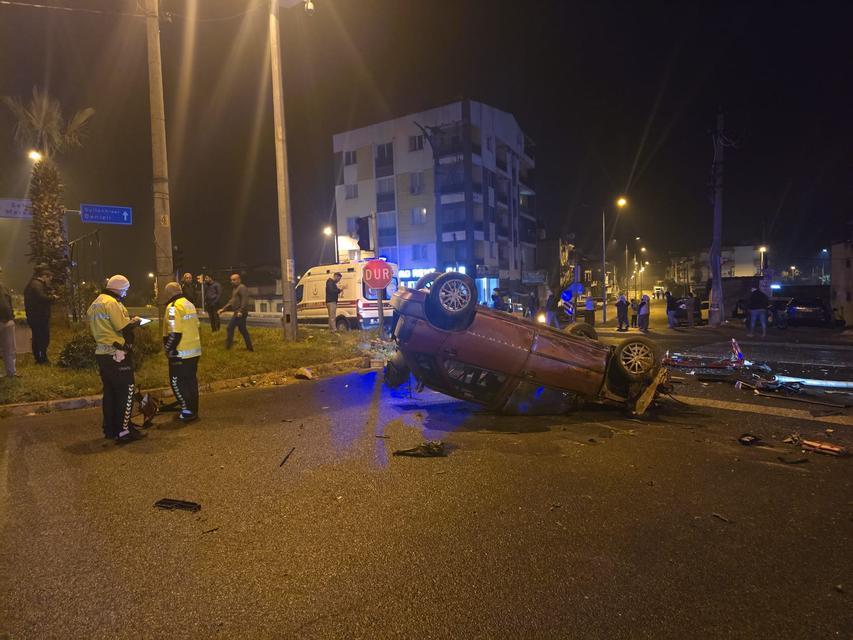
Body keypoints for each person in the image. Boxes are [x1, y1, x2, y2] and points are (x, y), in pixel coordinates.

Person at [87, 275, 146, 443]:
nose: (125, 293)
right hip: (117, 354)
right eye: (125, 290)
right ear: (119, 288)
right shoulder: (112, 303)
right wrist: (136, 322)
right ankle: (124, 431)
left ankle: (110, 429)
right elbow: (122, 326)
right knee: (126, 392)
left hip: (102, 353)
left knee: (110, 393)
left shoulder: (95, 303)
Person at [162, 282, 202, 423]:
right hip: (194, 351)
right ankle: (193, 410)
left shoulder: (173, 307)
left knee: (177, 383)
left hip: (180, 353)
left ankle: (187, 412)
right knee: (191, 382)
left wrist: (168, 349)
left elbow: (175, 333)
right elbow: (197, 325)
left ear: (168, 293)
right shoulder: (189, 304)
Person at [24, 266, 54, 364]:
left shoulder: (33, 284)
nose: (49, 281)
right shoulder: (37, 285)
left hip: (35, 316)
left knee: (37, 337)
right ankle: (41, 358)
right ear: (44, 276)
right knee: (42, 337)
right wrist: (52, 297)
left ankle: (39, 358)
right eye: (49, 279)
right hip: (39, 317)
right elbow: (41, 298)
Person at [219, 273, 253, 351]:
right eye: (231, 280)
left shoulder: (242, 287)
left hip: (239, 313)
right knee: (243, 330)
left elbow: (245, 300)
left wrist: (241, 311)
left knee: (230, 328)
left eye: (234, 280)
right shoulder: (235, 289)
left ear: (239, 280)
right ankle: (250, 348)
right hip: (237, 312)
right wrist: (223, 309)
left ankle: (228, 347)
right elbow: (232, 301)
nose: (232, 281)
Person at [0, 269, 16, 378]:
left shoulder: (4, 287)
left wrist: (12, 317)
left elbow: (9, 303)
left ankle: (11, 372)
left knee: (10, 348)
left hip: (7, 321)